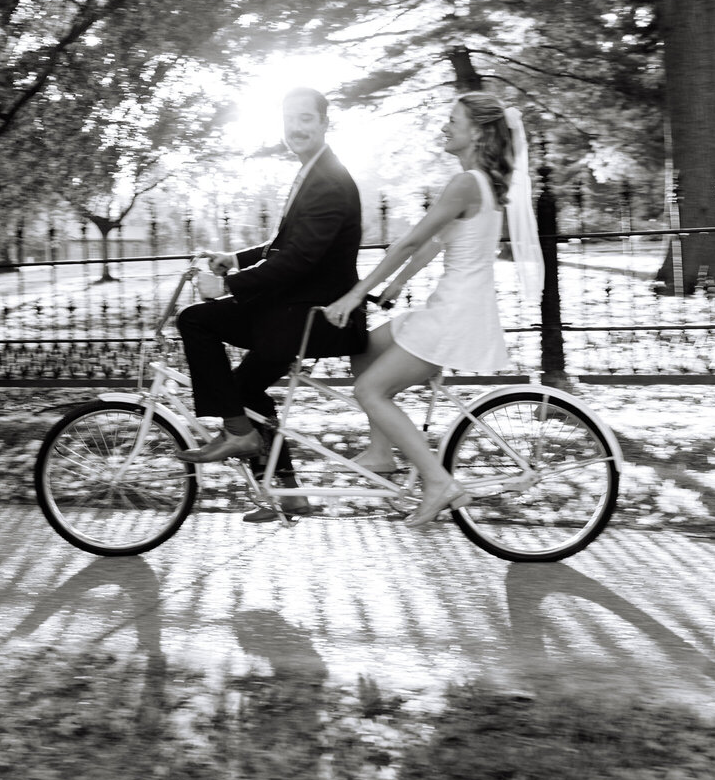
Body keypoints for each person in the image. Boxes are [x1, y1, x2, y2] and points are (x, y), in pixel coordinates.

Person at [322, 91, 542, 528]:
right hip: (453, 308)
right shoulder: (481, 185)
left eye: (452, 120)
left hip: (453, 316)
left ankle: (438, 482)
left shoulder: (466, 184)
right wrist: (399, 283)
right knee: (363, 348)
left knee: (369, 391)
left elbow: (407, 242)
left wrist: (355, 294)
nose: (444, 127)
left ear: (477, 131)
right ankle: (382, 452)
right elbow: (433, 244)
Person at [177, 87, 367, 521]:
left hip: (313, 315)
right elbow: (288, 243)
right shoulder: (316, 172)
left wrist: (228, 287)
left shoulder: (328, 180)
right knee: (243, 388)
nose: (295, 128)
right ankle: (287, 491)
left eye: (305, 119)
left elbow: (300, 260)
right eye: (289, 120)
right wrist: (237, 260)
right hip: (293, 308)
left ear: (324, 123)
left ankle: (239, 432)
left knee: (196, 321)